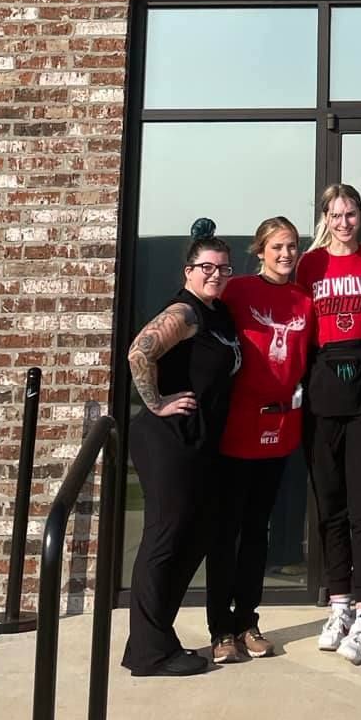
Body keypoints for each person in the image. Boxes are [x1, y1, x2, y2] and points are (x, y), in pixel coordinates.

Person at [123, 220, 242, 677]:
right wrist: (156, 403)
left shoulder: (219, 313)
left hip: (199, 443)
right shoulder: (186, 312)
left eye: (224, 267)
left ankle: (151, 641)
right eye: (206, 267)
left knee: (194, 538)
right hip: (167, 441)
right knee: (165, 539)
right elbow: (139, 351)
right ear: (188, 271)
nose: (216, 274)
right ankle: (151, 654)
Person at [207, 216, 313, 664]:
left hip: (280, 430)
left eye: (291, 246)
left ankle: (248, 620)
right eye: (277, 247)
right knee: (226, 531)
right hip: (235, 428)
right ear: (260, 251)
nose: (286, 254)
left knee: (257, 532)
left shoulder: (304, 300)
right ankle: (220, 630)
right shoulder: (237, 291)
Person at [296, 182, 361, 664]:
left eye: (351, 213)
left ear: (360, 216)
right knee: (330, 503)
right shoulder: (309, 266)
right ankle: (339, 604)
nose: (344, 222)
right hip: (324, 379)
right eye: (336, 215)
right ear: (325, 219)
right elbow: (298, 327)